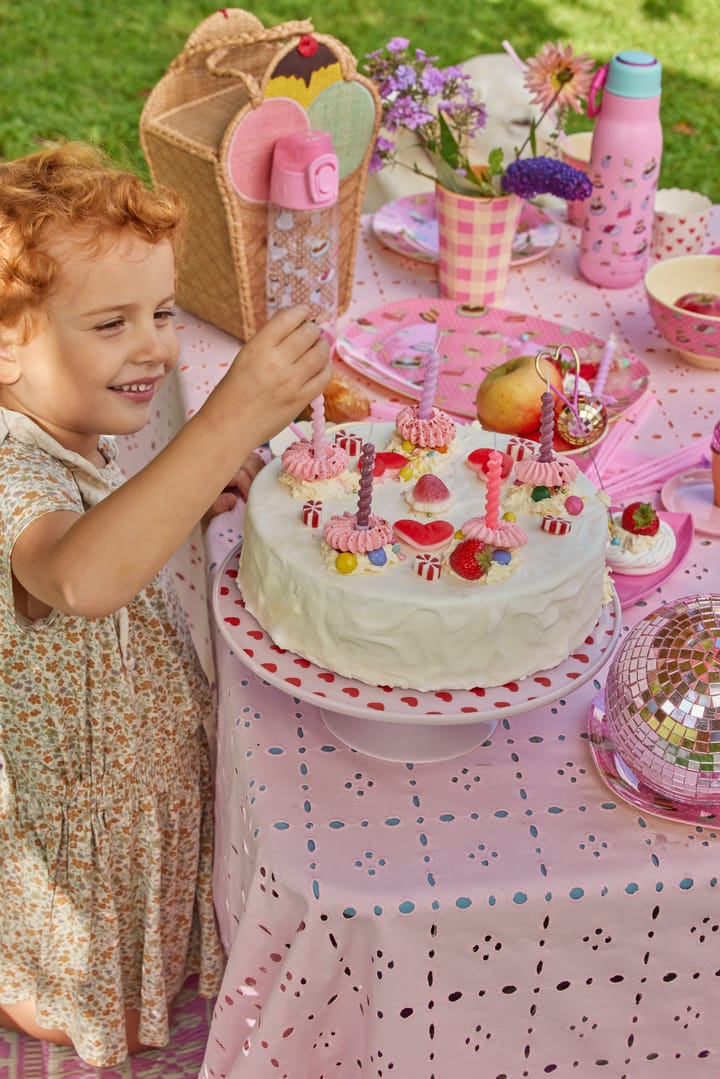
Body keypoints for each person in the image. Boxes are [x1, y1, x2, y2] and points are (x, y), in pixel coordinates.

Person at [0, 142, 330, 1066]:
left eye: (162, 311)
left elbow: (105, 526)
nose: (154, 345)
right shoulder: (4, 465)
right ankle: (50, 1005)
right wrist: (228, 414)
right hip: (77, 806)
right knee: (75, 976)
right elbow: (78, 576)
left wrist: (185, 497)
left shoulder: (57, 420)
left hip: (125, 767)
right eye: (111, 323)